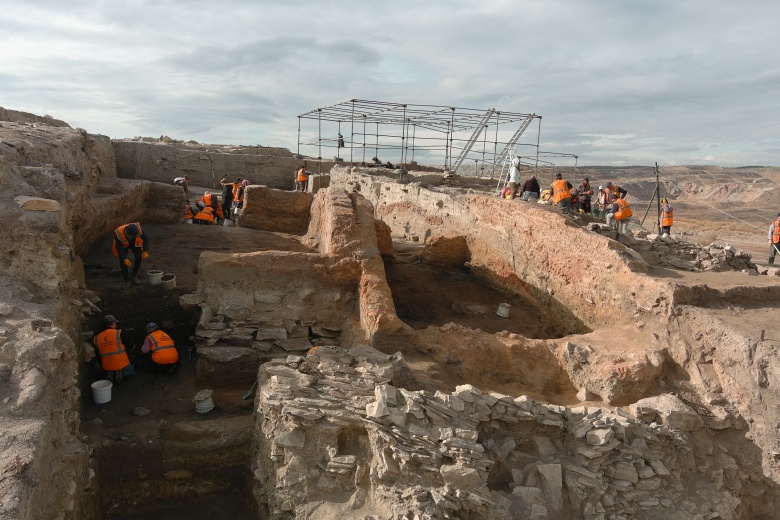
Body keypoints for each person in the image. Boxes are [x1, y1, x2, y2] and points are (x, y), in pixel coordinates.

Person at [93, 315, 134, 384]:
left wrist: (102, 366)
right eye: (115, 323)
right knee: (131, 370)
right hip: (121, 363)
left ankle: (109, 374)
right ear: (113, 323)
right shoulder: (119, 333)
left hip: (106, 365)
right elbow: (131, 346)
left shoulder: (96, 338)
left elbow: (98, 356)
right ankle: (121, 374)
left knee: (107, 367)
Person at [112, 222, 149, 289]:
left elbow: (146, 238)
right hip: (123, 245)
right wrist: (124, 258)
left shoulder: (138, 230)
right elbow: (120, 248)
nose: (135, 236)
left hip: (134, 243)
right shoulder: (119, 233)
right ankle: (127, 281)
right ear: (128, 234)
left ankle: (134, 276)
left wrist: (145, 251)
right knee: (123, 261)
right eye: (133, 236)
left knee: (139, 256)